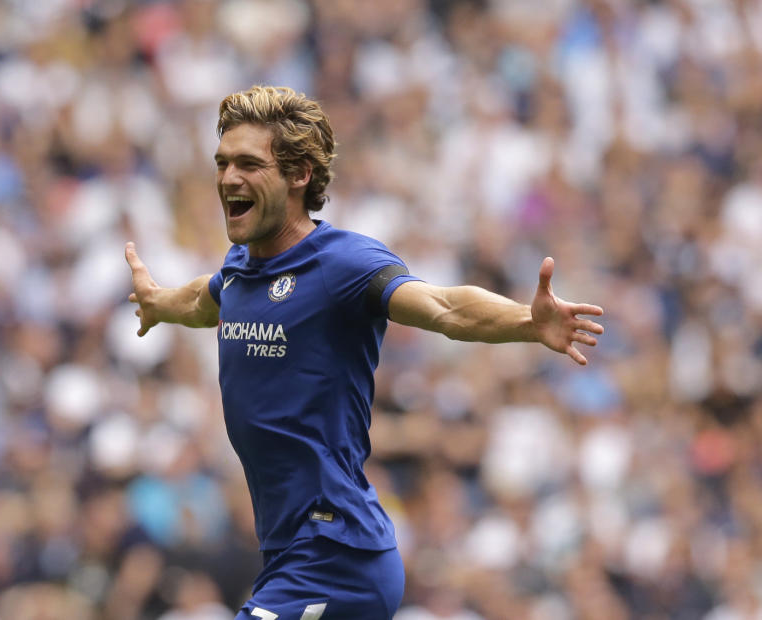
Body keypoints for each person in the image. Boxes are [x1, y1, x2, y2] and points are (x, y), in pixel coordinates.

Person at [125, 86, 604, 620]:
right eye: (222, 163)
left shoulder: (342, 265)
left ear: (299, 174)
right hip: (287, 552)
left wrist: (524, 321)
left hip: (337, 554)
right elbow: (203, 299)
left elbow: (443, 306)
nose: (228, 178)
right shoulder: (242, 267)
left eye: (248, 163)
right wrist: (158, 304)